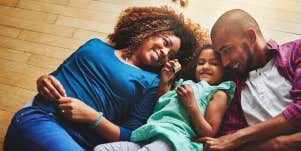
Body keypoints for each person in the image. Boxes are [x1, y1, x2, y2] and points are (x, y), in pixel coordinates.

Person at [3, 6, 209, 151]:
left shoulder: (152, 83)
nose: (165, 52)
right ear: (149, 31)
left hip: (84, 143)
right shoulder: (94, 46)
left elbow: (132, 135)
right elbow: (55, 77)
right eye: (165, 42)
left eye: (171, 55)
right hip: (43, 119)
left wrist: (93, 117)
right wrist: (43, 81)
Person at [194, 9, 301, 151]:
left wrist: (238, 138)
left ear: (250, 37)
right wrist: (279, 144)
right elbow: (226, 142)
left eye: (227, 50)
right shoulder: (233, 86)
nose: (225, 62)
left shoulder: (295, 51)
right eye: (220, 55)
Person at [94, 45, 236, 151]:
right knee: (101, 149)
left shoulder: (218, 92)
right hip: (150, 135)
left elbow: (208, 132)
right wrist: (165, 81)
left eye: (214, 63)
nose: (205, 66)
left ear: (224, 69)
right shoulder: (184, 84)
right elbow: (161, 106)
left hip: (175, 141)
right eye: (201, 62)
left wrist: (192, 105)